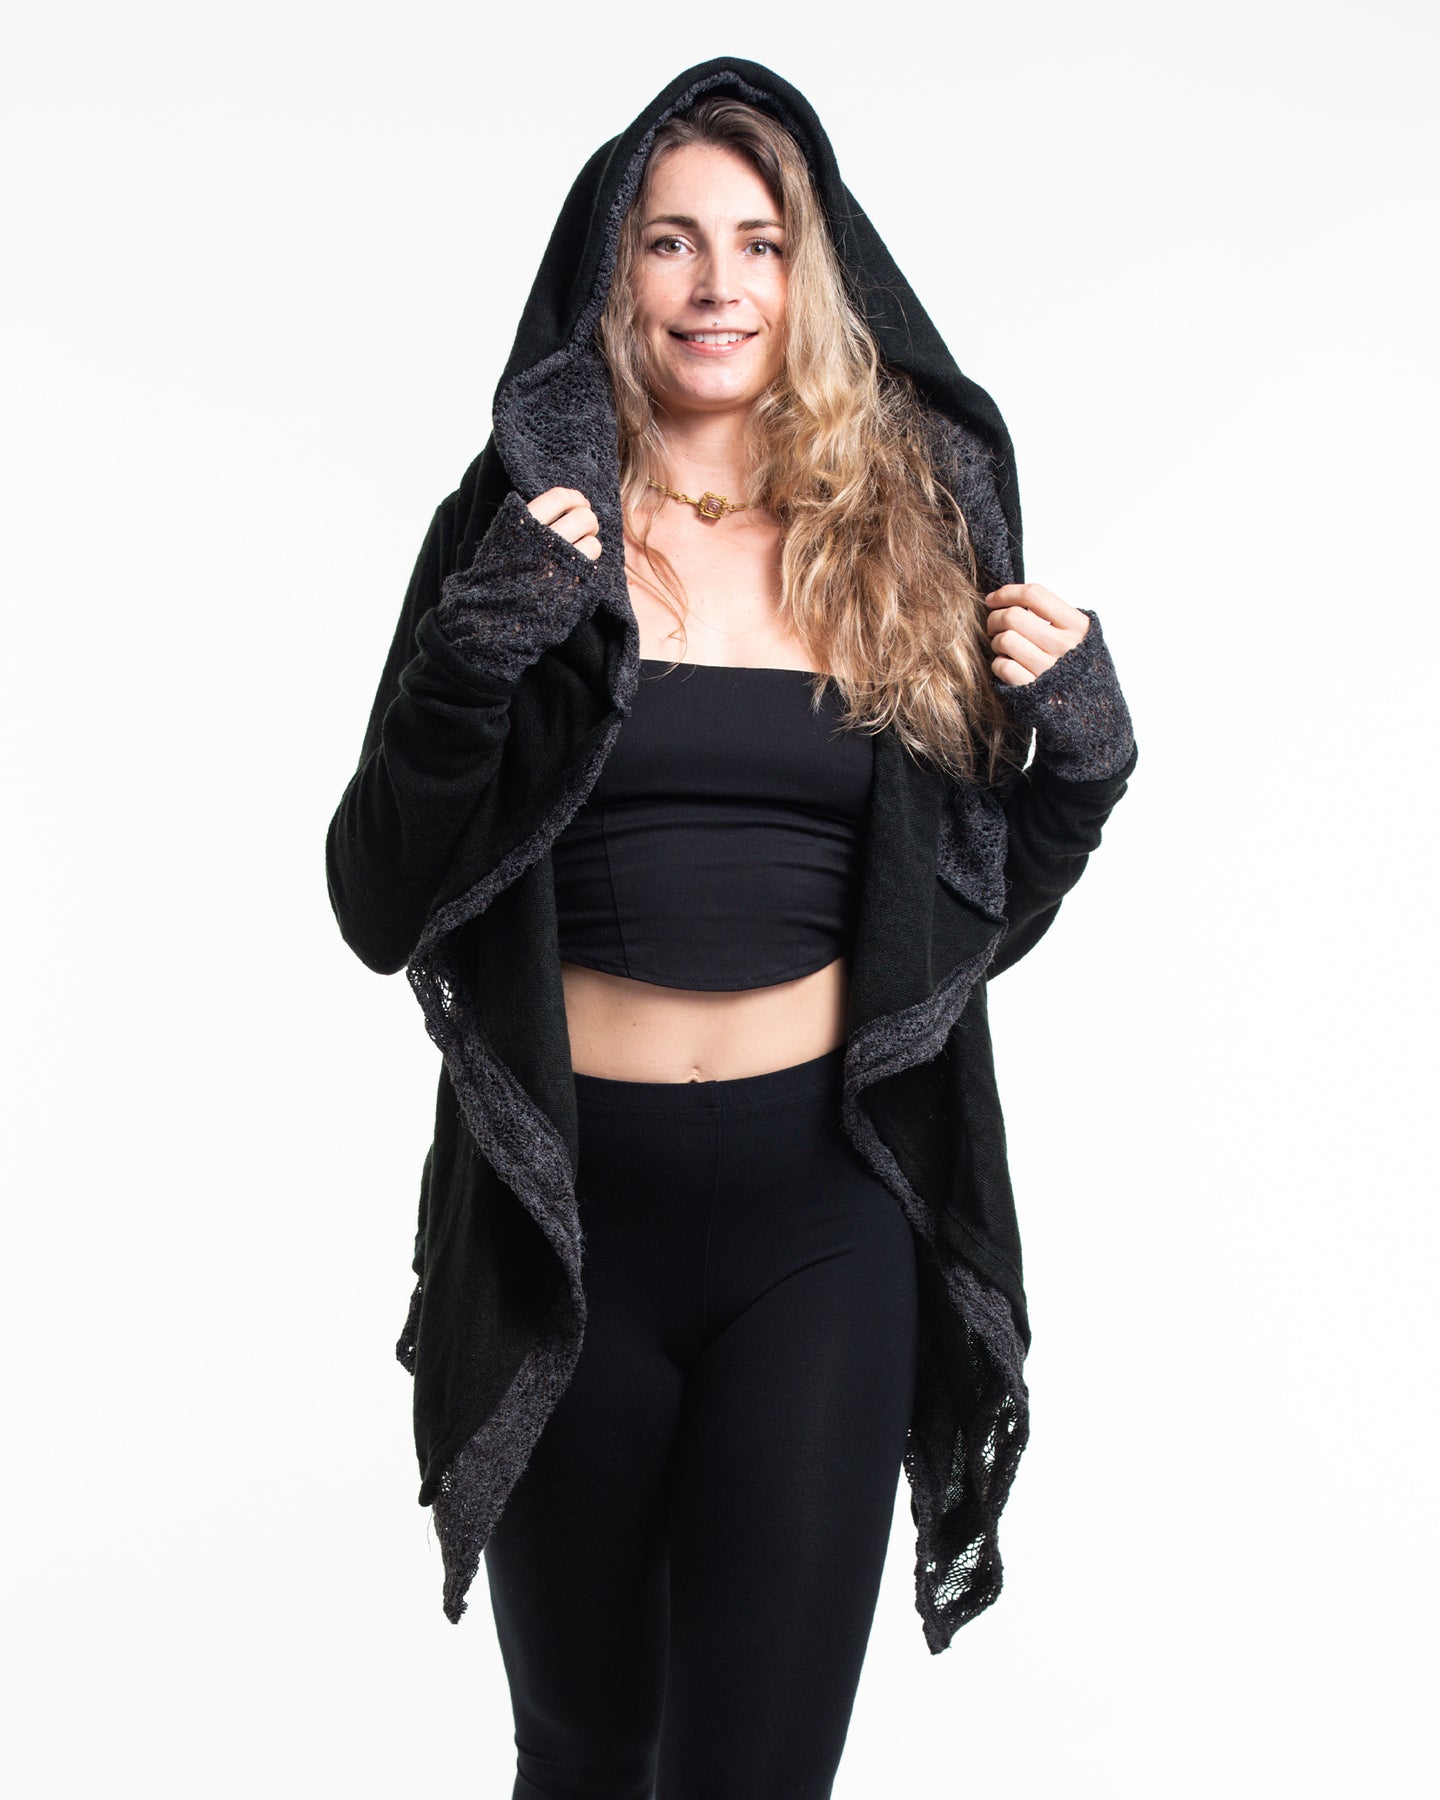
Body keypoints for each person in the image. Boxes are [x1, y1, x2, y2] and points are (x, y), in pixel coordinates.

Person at [325, 57, 1137, 1799]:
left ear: (808, 273)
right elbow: (377, 900)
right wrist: (469, 670)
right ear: (611, 270)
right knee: (586, 1754)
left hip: (820, 1219)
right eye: (672, 241)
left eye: (758, 244)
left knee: (756, 1775)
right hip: (571, 1221)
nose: (716, 285)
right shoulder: (518, 530)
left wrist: (1079, 772)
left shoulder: (902, 541)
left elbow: (953, 935)